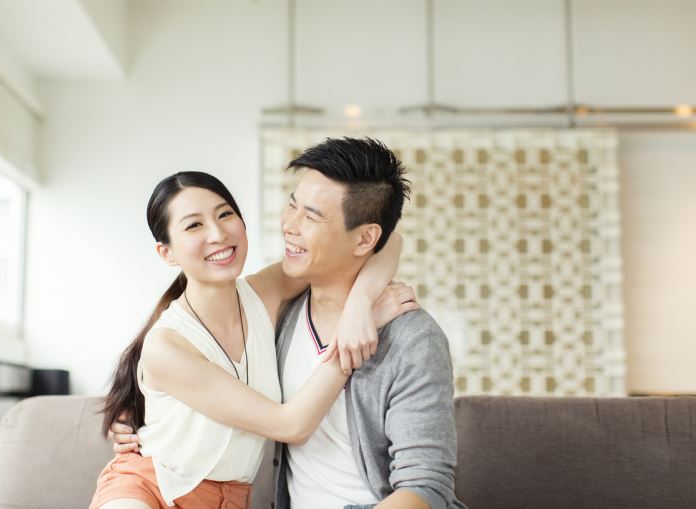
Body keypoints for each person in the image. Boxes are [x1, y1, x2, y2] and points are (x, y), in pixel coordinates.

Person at [114, 138, 467, 509]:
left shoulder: (411, 338)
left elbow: (426, 487)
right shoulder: (280, 311)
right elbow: (285, 422)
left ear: (364, 238)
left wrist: (360, 305)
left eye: (311, 216)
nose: (288, 225)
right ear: (166, 251)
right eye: (292, 206)